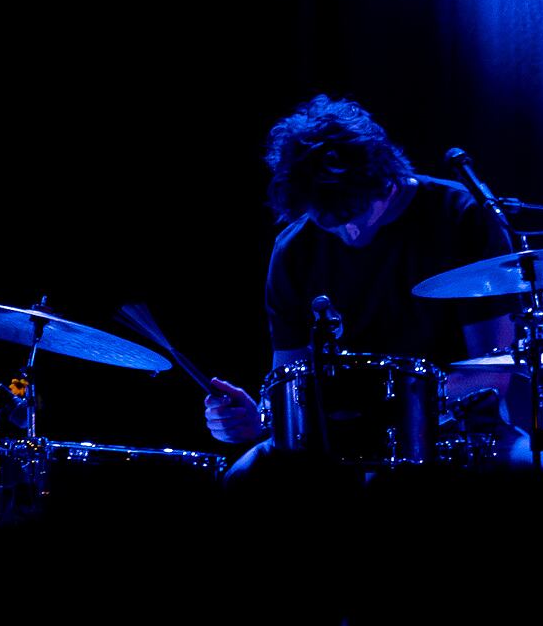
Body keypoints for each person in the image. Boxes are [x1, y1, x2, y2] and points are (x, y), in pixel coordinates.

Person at [202, 94, 519, 464]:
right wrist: (256, 417)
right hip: (335, 437)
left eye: (356, 212)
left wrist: (384, 412)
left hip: (454, 428)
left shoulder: (462, 217)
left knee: (532, 473)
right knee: (243, 478)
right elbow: (290, 377)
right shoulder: (294, 249)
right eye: (329, 222)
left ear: (386, 179)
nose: (350, 232)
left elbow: (492, 374)